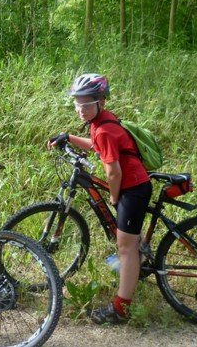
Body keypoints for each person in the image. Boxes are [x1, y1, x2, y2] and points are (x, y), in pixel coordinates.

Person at [48, 73, 152, 324]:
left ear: (100, 102)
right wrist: (69, 137)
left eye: (86, 104)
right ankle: (141, 258)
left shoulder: (103, 128)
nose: (80, 109)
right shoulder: (103, 123)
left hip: (133, 188)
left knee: (125, 248)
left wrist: (115, 198)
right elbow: (96, 145)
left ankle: (120, 309)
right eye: (77, 103)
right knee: (130, 243)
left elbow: (113, 172)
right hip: (134, 185)